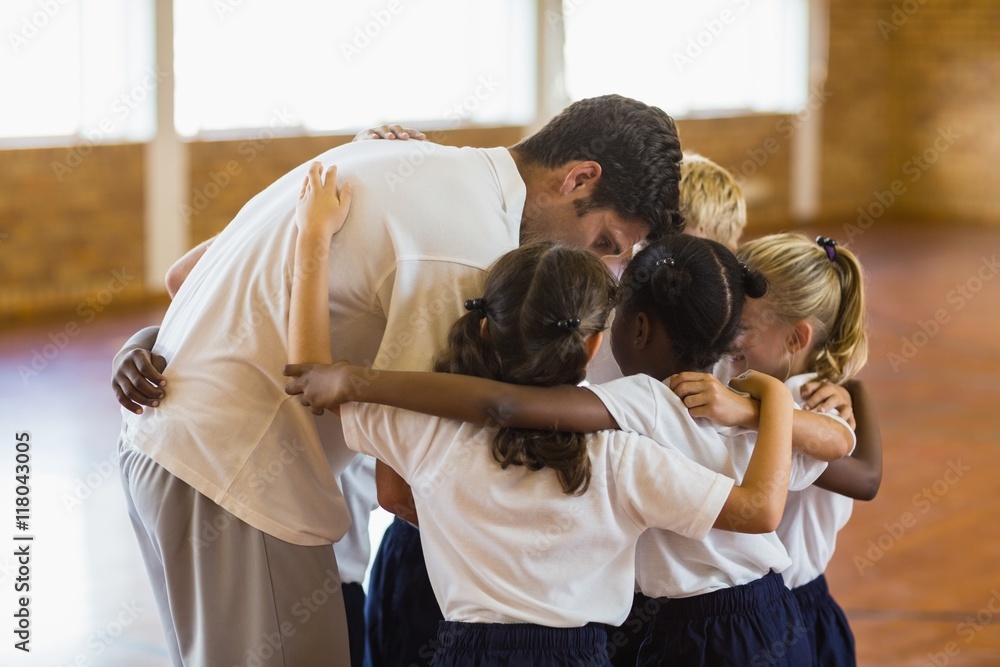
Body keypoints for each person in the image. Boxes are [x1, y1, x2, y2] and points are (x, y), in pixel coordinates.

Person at [110, 94, 686, 666]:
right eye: (605, 242)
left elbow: (185, 274)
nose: (599, 263)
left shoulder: (411, 165)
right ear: (579, 179)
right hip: (237, 477)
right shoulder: (466, 249)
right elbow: (400, 482)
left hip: (167, 449)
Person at [286, 177, 797, 663]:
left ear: (484, 327)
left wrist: (314, 238)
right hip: (583, 654)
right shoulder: (623, 453)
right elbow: (756, 512)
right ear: (594, 343)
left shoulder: (427, 431)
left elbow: (308, 374)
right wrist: (773, 400)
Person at [730, 233, 881, 666]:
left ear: (797, 337)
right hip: (789, 605)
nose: (729, 339)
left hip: (792, 610)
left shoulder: (808, 400)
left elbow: (863, 478)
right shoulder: (770, 382)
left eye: (742, 327)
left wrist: (746, 413)